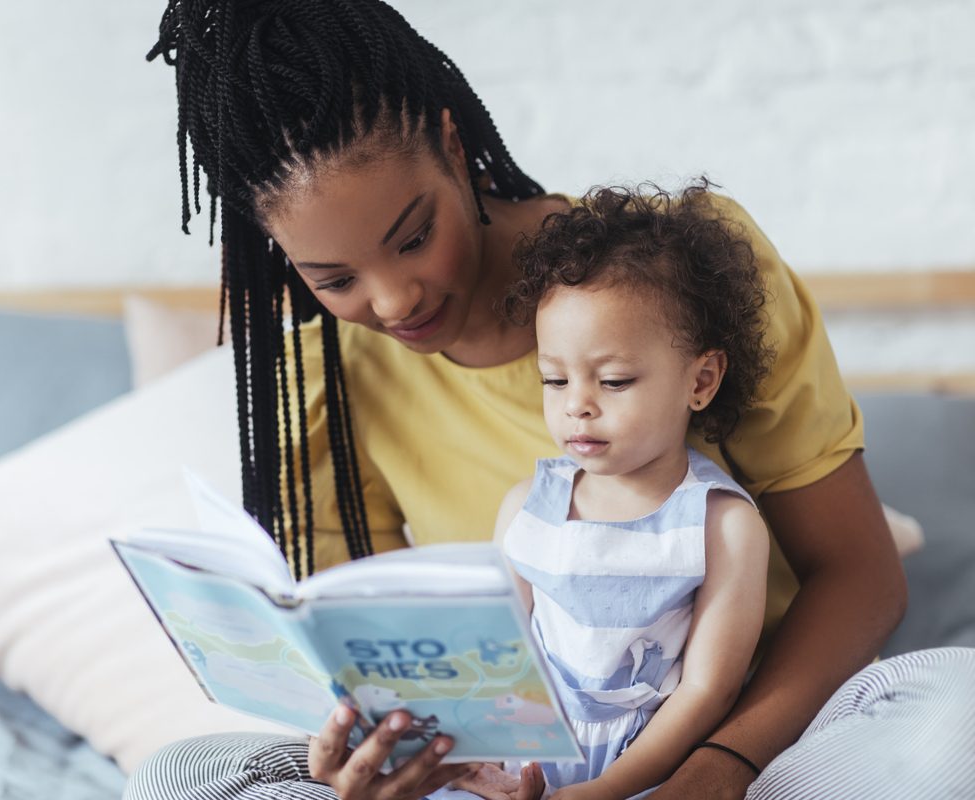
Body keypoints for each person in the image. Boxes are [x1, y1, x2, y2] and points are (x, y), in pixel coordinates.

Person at [125, 1, 975, 798]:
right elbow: (381, 674)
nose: (393, 303)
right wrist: (376, 752)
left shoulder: (677, 278)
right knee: (180, 773)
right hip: (518, 767)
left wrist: (717, 766)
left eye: (414, 237)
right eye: (335, 279)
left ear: (454, 150)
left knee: (957, 710)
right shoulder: (319, 382)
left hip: (756, 741)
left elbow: (862, 578)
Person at [445, 184, 774, 800]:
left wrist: (605, 791)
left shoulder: (721, 525)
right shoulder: (526, 508)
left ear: (700, 381)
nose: (578, 406)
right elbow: (493, 660)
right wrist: (487, 772)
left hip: (652, 767)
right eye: (554, 378)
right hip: (524, 758)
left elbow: (709, 690)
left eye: (615, 380)